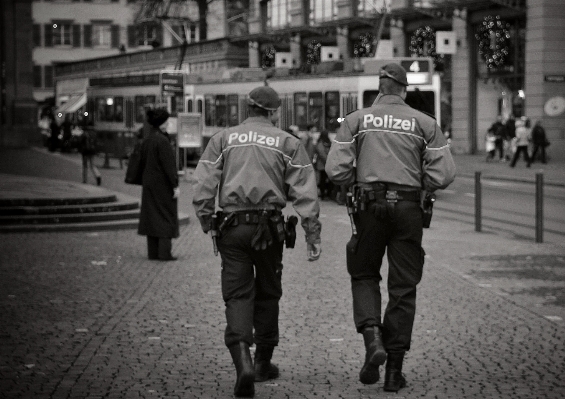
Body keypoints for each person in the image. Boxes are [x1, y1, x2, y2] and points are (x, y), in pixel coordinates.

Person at [325, 63, 455, 392]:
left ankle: (373, 340)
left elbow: (336, 171)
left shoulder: (356, 120)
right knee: (403, 286)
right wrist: (416, 182)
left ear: (379, 88)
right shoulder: (426, 123)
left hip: (368, 208)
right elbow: (443, 175)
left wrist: (361, 177)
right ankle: (394, 372)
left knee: (364, 273)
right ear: (404, 90)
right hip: (409, 210)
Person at [192, 86, 322, 398]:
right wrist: (311, 233)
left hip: (232, 228)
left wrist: (208, 221)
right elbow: (305, 190)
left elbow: (204, 184)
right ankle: (263, 363)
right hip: (269, 229)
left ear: (246, 108)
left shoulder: (223, 139)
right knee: (267, 293)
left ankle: (243, 363)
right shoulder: (287, 142)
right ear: (274, 112)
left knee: (237, 294)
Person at [137, 108, 180, 261]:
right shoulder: (163, 141)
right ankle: (164, 253)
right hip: (162, 186)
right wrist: (175, 185)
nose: (169, 123)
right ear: (162, 123)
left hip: (149, 184)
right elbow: (169, 166)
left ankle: (153, 252)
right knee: (165, 217)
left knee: (152, 218)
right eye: (167, 121)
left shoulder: (148, 139)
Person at [314, 130, 332, 200]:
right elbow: (322, 154)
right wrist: (329, 160)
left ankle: (325, 194)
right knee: (323, 180)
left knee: (323, 180)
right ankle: (324, 194)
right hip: (324, 164)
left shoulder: (320, 143)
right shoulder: (325, 143)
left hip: (322, 164)